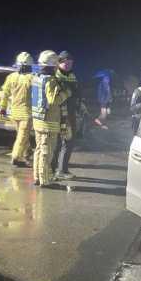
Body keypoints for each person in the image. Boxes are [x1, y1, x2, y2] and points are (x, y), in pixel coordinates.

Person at [30, 50, 71, 188]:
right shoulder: (50, 80)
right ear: (53, 65)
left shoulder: (37, 77)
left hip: (37, 120)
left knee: (39, 150)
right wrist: (66, 93)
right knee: (46, 152)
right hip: (48, 122)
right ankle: (45, 180)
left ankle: (37, 177)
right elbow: (53, 100)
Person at [52, 50, 85, 180]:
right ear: (59, 62)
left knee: (68, 141)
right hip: (59, 114)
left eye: (70, 62)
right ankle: (56, 169)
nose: (68, 65)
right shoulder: (55, 76)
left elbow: (77, 92)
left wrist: (80, 103)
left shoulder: (72, 75)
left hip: (70, 114)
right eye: (65, 62)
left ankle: (60, 169)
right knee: (60, 143)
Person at [1, 51, 35, 167]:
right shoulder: (32, 78)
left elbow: (5, 93)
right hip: (26, 114)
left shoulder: (11, 77)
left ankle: (28, 150)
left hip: (14, 113)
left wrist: (3, 108)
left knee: (21, 135)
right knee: (22, 136)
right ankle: (16, 157)